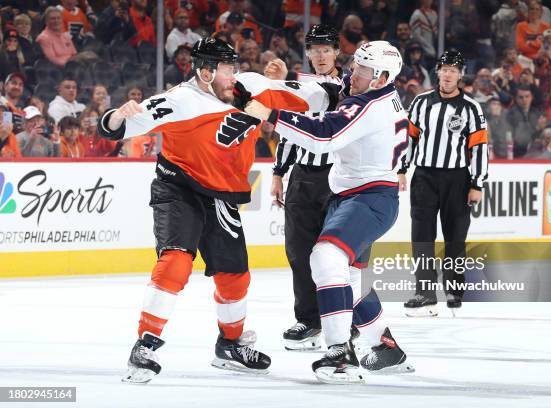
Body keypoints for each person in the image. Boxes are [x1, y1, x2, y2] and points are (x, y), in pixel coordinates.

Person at [96, 37, 333, 383]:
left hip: (221, 194)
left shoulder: (251, 86)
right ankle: (145, 344)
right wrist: (119, 114)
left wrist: (351, 87)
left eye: (234, 68)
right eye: (226, 69)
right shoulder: (179, 100)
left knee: (235, 274)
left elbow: (314, 95)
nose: (233, 75)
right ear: (205, 72)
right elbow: (113, 129)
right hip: (178, 188)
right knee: (176, 261)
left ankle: (230, 346)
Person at [244, 41, 415, 384]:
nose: (354, 73)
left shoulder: (371, 105)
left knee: (325, 257)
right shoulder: (382, 97)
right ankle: (386, 347)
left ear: (381, 77)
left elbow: (323, 136)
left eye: (363, 70)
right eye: (355, 65)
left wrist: (270, 115)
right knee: (351, 279)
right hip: (362, 196)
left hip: (368, 199)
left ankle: (340, 354)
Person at [262, 25, 345, 351]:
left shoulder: (350, 83)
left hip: (340, 177)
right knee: (299, 252)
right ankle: (309, 321)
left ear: (337, 52)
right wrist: (279, 172)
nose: (321, 55)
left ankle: (346, 322)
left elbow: (330, 92)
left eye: (326, 49)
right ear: (308, 53)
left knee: (341, 256)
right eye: (315, 49)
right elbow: (289, 130)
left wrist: (283, 81)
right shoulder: (300, 88)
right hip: (302, 176)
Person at [402, 50, 489, 317]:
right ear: (437, 72)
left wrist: (478, 183)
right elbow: (410, 139)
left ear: (461, 74)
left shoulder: (471, 108)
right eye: (445, 69)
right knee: (422, 237)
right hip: (424, 177)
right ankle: (424, 292)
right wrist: (401, 170)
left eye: (454, 69)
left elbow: (480, 148)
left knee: (455, 237)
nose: (449, 74)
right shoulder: (420, 103)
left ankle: (454, 289)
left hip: (458, 179)